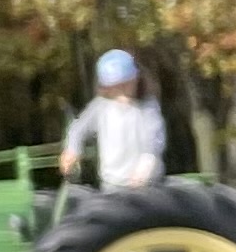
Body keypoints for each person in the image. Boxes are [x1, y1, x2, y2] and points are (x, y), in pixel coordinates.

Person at [61, 46, 167, 193]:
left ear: (136, 80)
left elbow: (153, 142)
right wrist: (72, 149)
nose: (122, 92)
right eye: (116, 88)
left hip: (147, 188)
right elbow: (78, 128)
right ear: (106, 88)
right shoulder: (101, 106)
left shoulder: (148, 107)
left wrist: (146, 165)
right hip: (111, 186)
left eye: (126, 85)